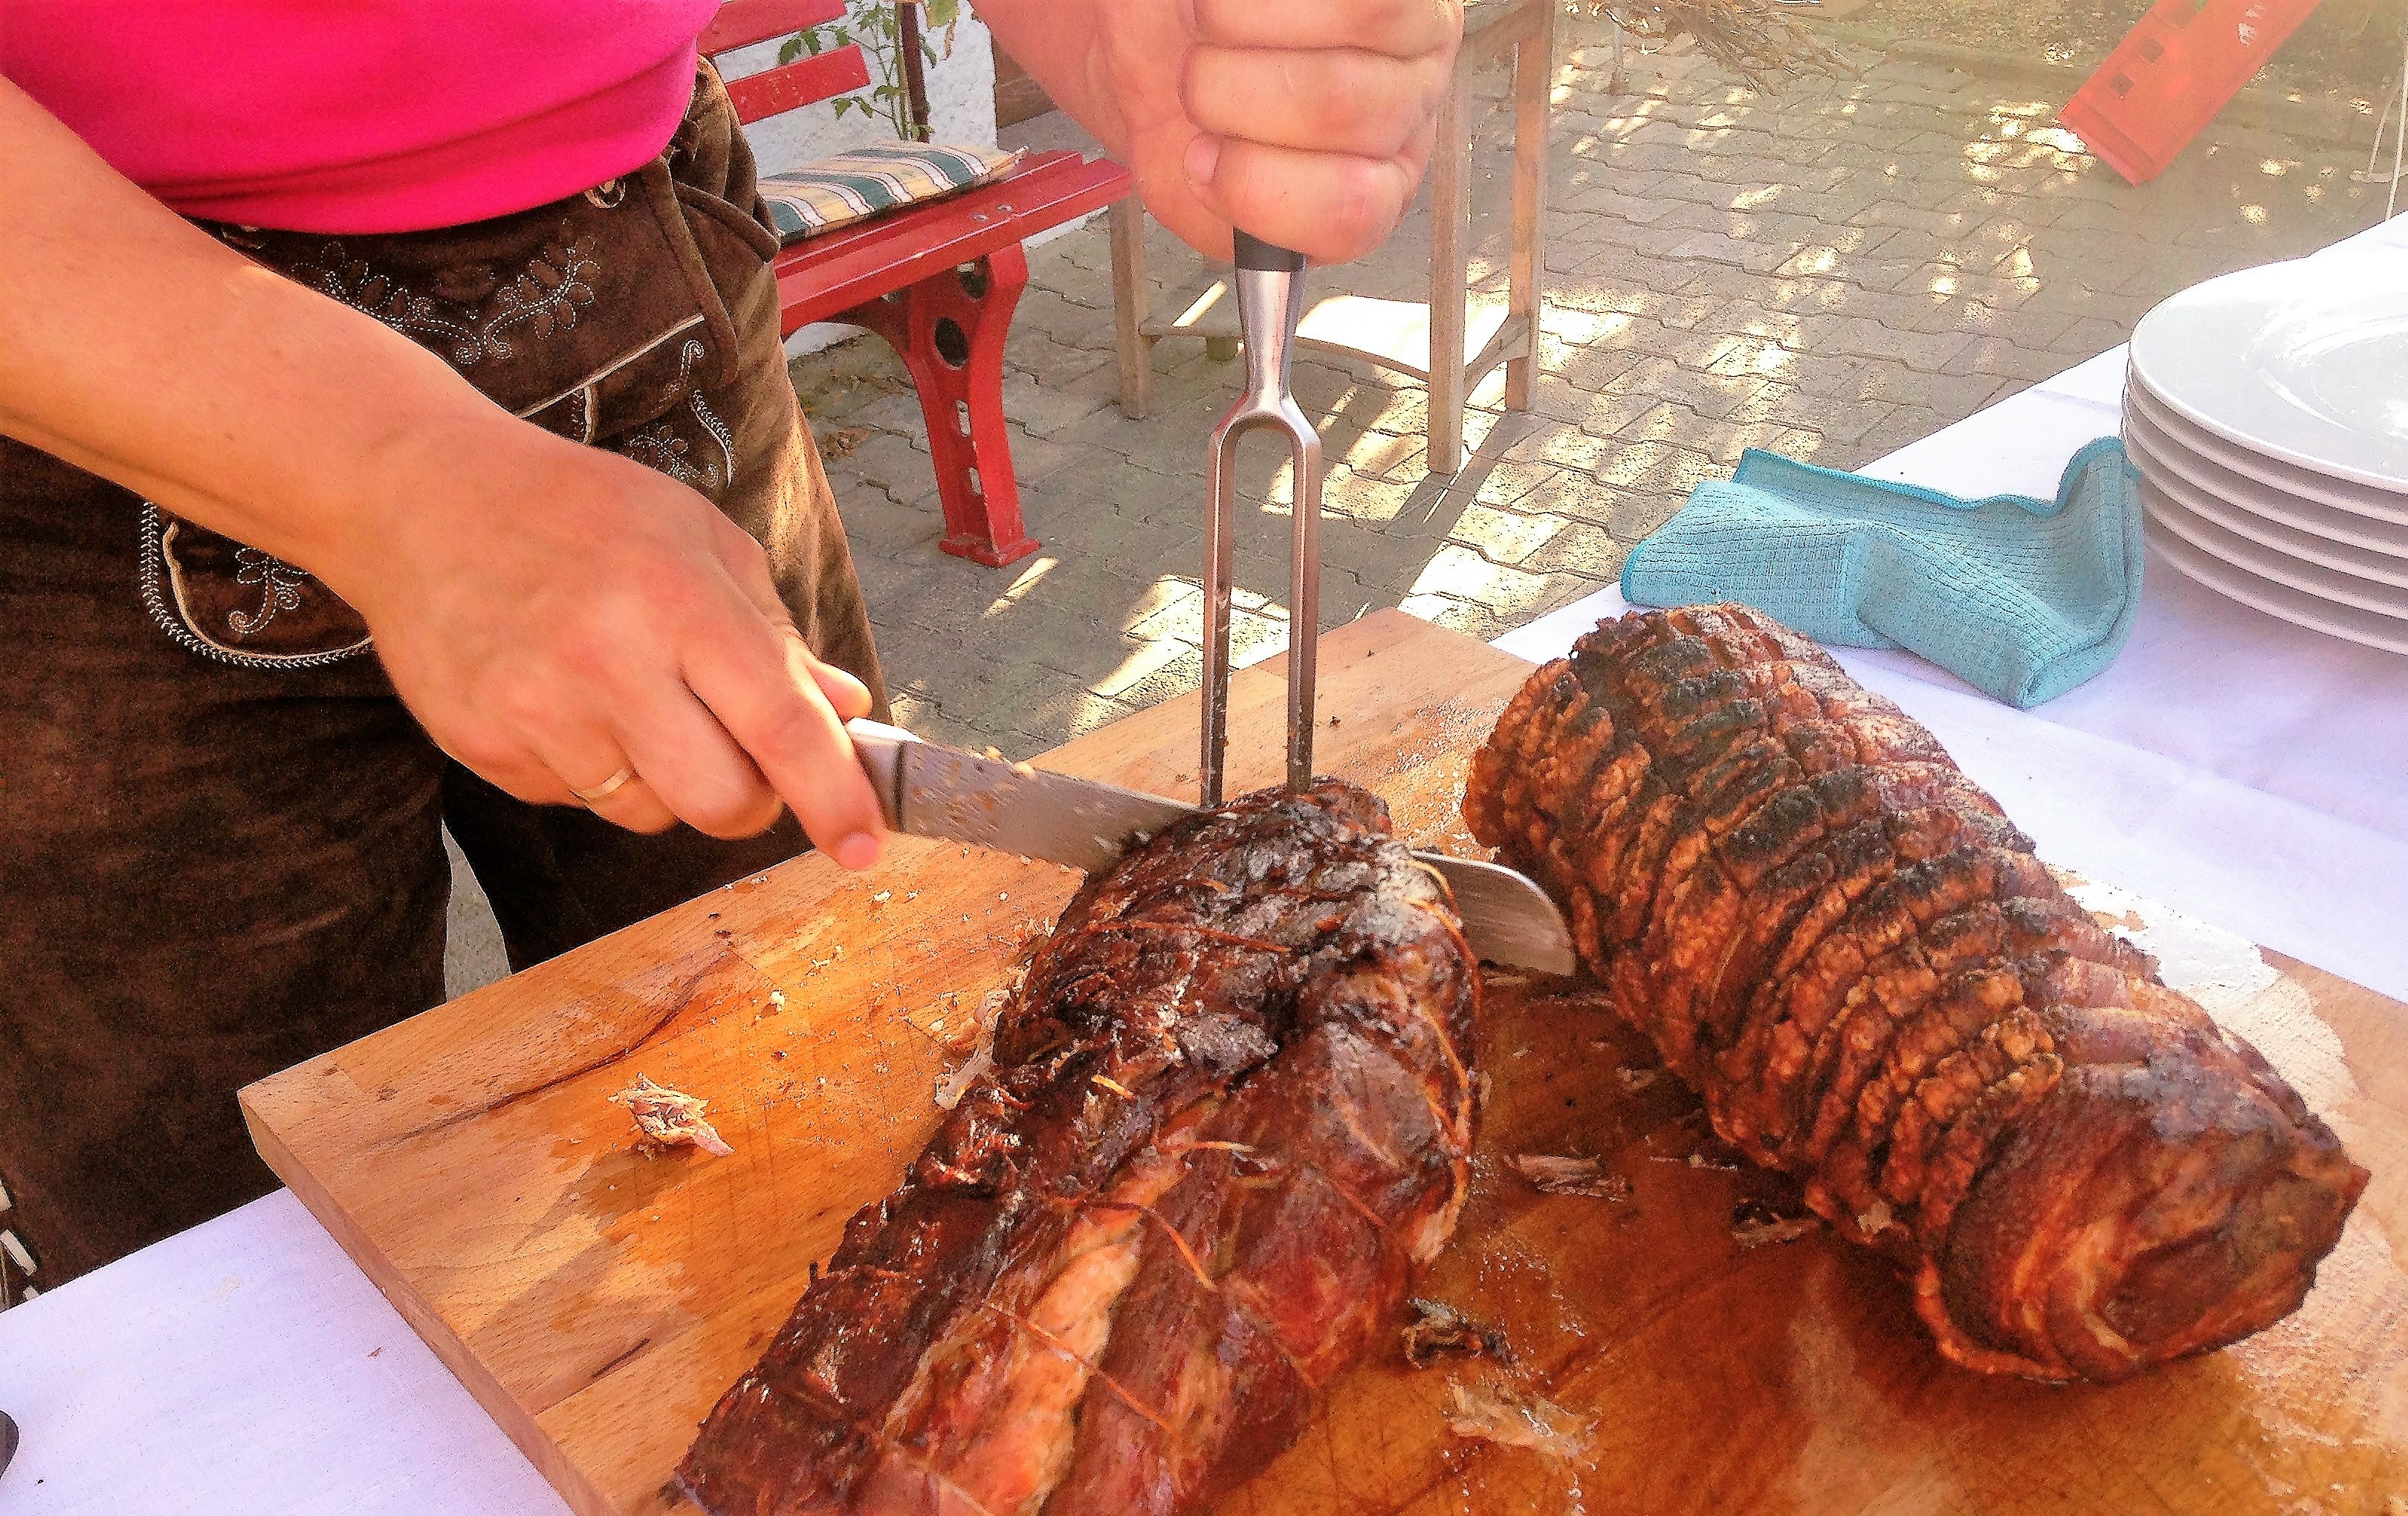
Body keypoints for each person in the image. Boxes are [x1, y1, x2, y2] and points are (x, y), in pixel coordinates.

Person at [0, 1, 1461, 1289]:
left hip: (657, 256)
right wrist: (388, 471)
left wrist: (1102, 26)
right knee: (219, 1291)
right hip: (86, 365)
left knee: (816, 1113)